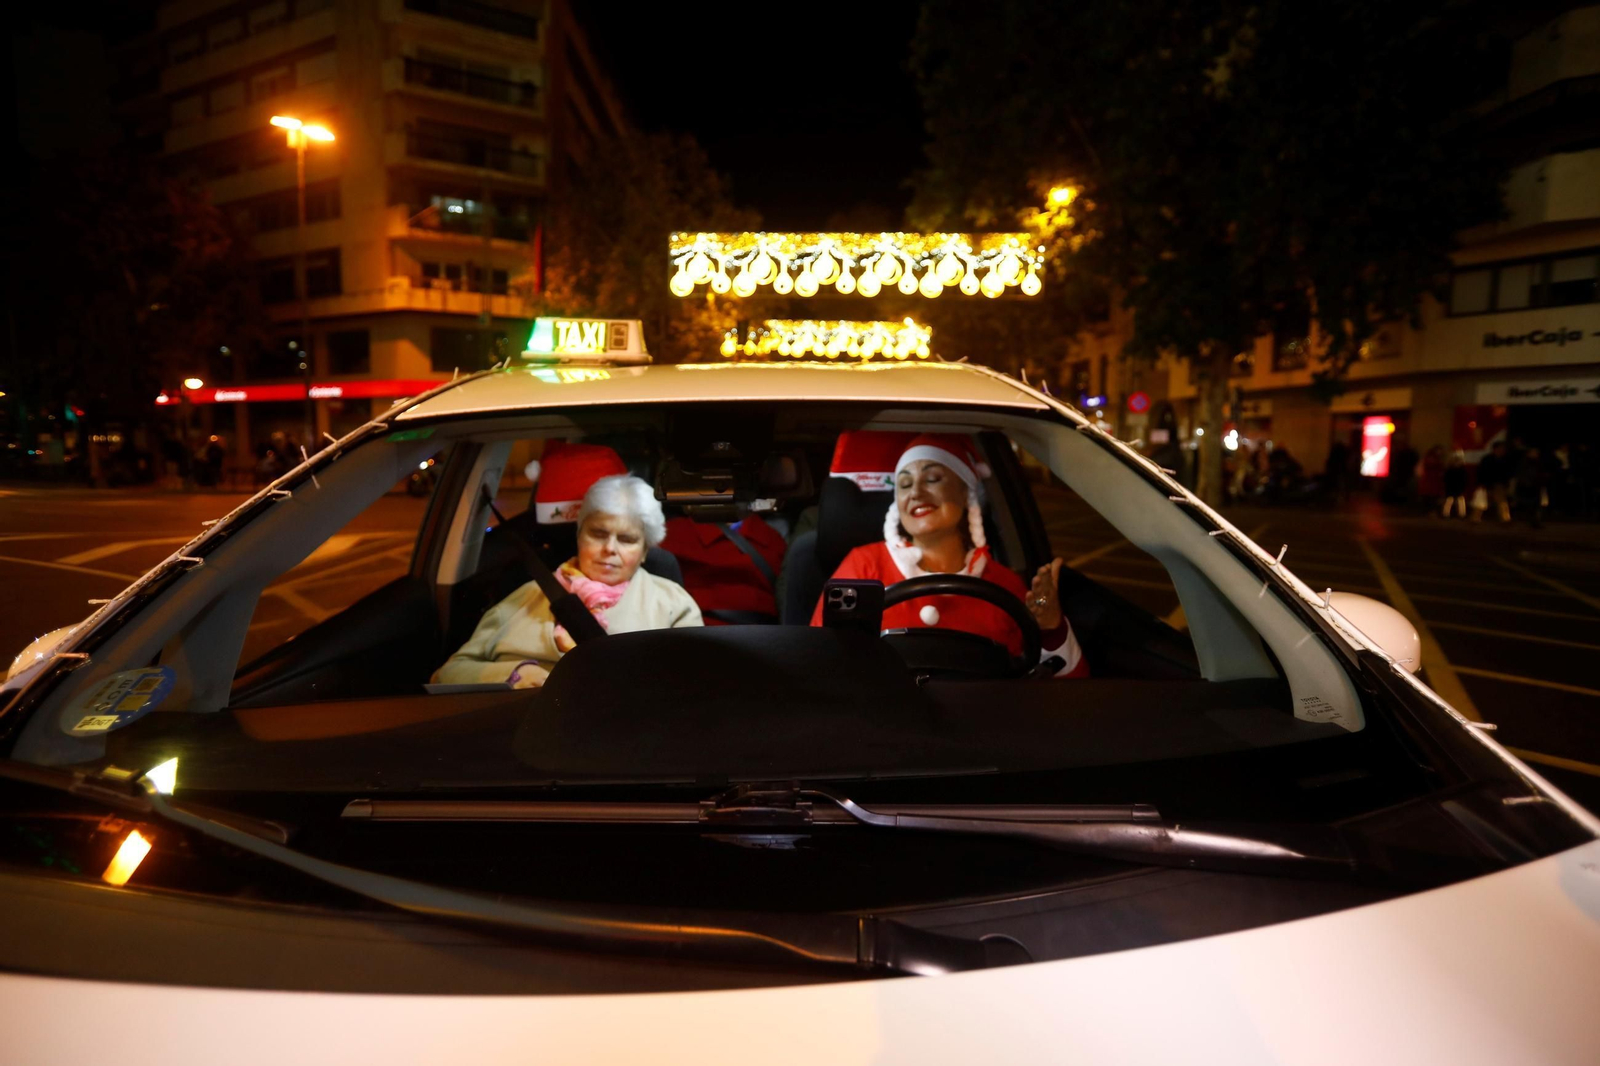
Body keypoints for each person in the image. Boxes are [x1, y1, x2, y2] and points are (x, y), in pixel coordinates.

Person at [810, 434, 1087, 678]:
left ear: (966, 492)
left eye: (932, 479)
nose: (916, 493)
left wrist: (1051, 628)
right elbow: (822, 661)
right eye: (904, 485)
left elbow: (1062, 695)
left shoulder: (1004, 585)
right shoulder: (863, 567)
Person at [434, 474, 703, 687]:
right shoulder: (526, 596)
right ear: (579, 536)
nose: (610, 548)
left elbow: (696, 682)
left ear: (645, 551)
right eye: (598, 534)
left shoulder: (673, 604)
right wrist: (516, 674)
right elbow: (448, 674)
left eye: (627, 539)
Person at [1473, 441, 1511, 523]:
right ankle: (1475, 518)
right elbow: (1481, 471)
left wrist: (1505, 483)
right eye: (1500, 449)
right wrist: (1481, 483)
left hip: (1498, 484)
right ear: (1495, 449)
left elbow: (1507, 473)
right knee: (1481, 501)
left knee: (1502, 502)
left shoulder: (1504, 460)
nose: (1502, 450)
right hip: (1486, 483)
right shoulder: (1487, 459)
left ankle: (1505, 518)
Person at [1440, 450, 1469, 518]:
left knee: (1457, 500)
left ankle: (1459, 514)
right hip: (1453, 486)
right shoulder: (1459, 470)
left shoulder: (1452, 469)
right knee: (1453, 500)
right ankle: (1448, 513)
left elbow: (1446, 478)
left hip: (1455, 486)